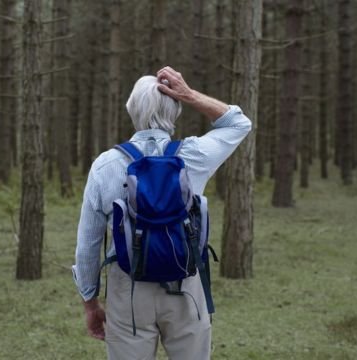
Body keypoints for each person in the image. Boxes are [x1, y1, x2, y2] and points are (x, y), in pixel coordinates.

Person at [73, 66, 252, 359]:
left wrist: (90, 304)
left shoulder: (104, 166)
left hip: (127, 288)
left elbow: (89, 244)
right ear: (176, 109)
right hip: (185, 284)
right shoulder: (195, 155)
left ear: (132, 110)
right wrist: (190, 94)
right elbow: (239, 123)